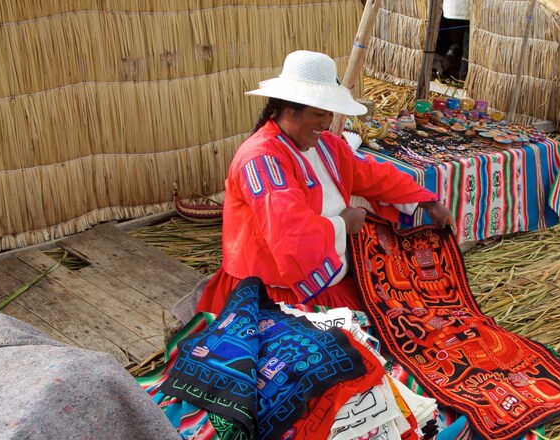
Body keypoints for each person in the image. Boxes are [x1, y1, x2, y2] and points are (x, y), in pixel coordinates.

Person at [195, 50, 455, 315]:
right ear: (287, 109)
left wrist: (428, 201)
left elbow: (372, 175)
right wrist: (344, 223)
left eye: (330, 114)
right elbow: (292, 235)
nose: (327, 122)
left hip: (327, 279)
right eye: (319, 114)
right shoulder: (263, 162)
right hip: (277, 292)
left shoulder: (327, 145)